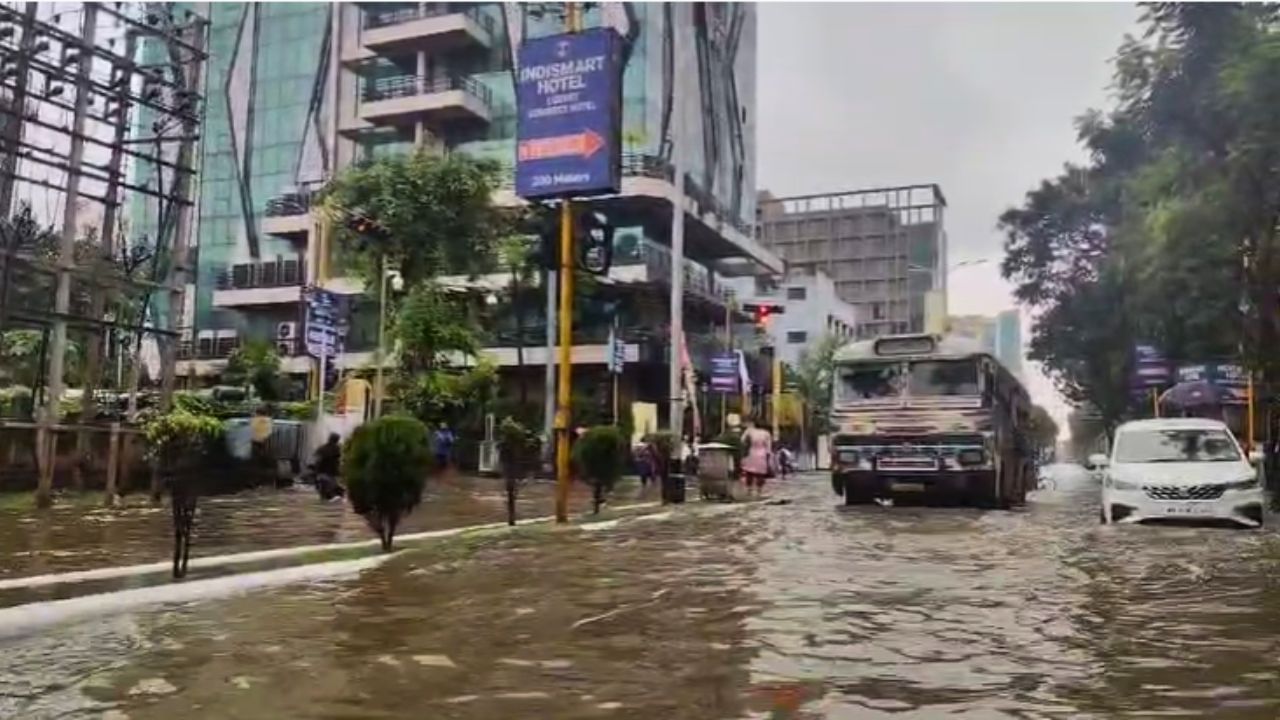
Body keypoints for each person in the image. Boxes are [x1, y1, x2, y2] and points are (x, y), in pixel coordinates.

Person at [740, 419, 774, 496]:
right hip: (762, 454)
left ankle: (749, 490)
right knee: (760, 474)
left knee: (749, 472)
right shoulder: (766, 433)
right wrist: (768, 458)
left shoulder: (750, 431)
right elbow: (768, 447)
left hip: (751, 453)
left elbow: (742, 440)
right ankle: (759, 491)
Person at [312, 433, 344, 501]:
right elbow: (339, 460)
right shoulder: (336, 448)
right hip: (331, 473)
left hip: (321, 472)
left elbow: (316, 458)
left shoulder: (322, 448)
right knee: (332, 490)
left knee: (324, 492)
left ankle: (324, 499)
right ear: (336, 440)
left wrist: (316, 471)